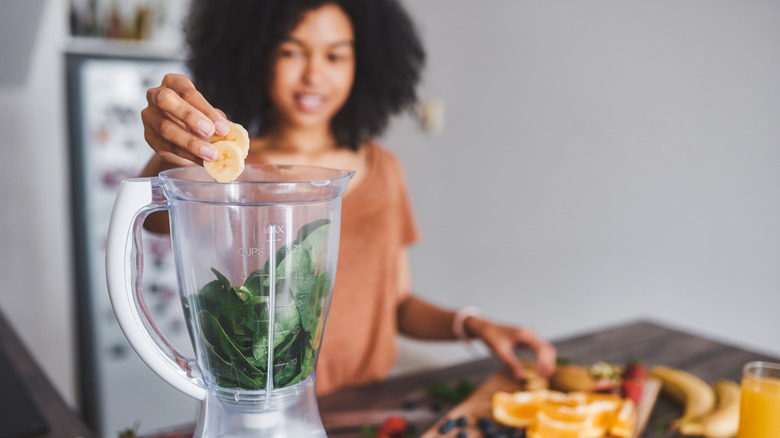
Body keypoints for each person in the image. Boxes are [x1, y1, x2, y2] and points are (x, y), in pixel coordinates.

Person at [139, 0, 556, 396]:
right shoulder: (222, 171)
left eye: (335, 56)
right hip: (256, 411)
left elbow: (398, 304)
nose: (314, 76)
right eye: (291, 52)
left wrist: (474, 325)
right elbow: (152, 217)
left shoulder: (384, 168)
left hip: (366, 410)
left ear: (365, 61)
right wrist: (172, 147)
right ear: (255, 54)